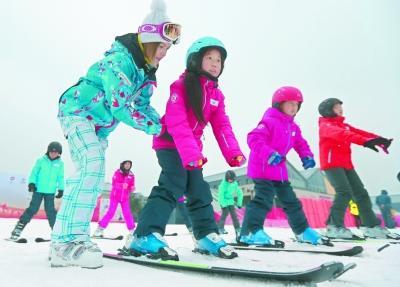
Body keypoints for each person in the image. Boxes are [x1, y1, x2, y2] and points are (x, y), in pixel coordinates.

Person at [50, 0, 181, 269]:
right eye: (162, 47)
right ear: (148, 40)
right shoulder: (120, 61)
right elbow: (120, 105)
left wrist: (167, 125)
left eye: (168, 49)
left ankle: (66, 238)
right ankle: (67, 241)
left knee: (92, 176)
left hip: (98, 125)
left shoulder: (145, 74)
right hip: (77, 111)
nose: (164, 54)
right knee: (93, 166)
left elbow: (143, 106)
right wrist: (157, 129)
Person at [121, 36, 246, 260]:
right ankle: (145, 234)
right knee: (173, 183)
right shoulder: (181, 86)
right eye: (209, 58)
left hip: (192, 151)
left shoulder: (216, 95)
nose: (215, 63)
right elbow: (178, 122)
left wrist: (233, 152)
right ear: (195, 60)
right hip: (170, 144)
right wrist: (190, 154)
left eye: (219, 60)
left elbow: (222, 125)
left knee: (199, 190)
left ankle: (206, 235)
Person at [239, 86, 328, 246]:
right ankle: (250, 232)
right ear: (279, 104)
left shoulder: (293, 127)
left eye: (296, 104)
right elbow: (253, 138)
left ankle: (302, 231)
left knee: (291, 202)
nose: (294, 108)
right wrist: (269, 154)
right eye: (290, 104)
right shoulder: (269, 121)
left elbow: (301, 143)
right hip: (262, 169)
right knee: (263, 200)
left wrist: (306, 156)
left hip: (279, 172)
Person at [318, 98, 397, 239]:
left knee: (361, 193)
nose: (340, 109)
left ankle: (371, 226)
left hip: (346, 164)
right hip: (332, 164)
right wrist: (365, 142)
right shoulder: (326, 126)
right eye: (336, 107)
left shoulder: (344, 125)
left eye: (340, 107)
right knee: (344, 192)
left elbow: (361, 133)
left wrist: (378, 139)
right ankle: (334, 227)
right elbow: (345, 135)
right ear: (328, 110)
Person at [9, 142, 64, 240]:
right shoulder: (41, 161)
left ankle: (56, 233)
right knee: (33, 209)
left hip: (50, 192)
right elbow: (34, 173)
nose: (53, 154)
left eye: (56, 153)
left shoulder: (60, 164)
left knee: (51, 212)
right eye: (51, 152)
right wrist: (32, 183)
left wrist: (61, 189)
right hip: (38, 190)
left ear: (59, 153)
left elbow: (60, 177)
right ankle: (18, 229)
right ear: (48, 151)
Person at [93, 160, 136, 237]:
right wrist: (122, 185)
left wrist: (131, 188)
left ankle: (132, 230)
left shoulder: (131, 175)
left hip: (125, 198)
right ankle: (99, 229)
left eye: (129, 164)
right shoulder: (117, 173)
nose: (127, 165)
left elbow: (130, 186)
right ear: (122, 165)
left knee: (127, 214)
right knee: (111, 212)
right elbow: (114, 184)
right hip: (115, 196)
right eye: (126, 164)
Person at [217, 170, 243, 238]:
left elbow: (240, 193)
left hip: (230, 201)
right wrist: (223, 204)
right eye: (230, 179)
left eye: (233, 179)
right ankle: (220, 228)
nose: (231, 181)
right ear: (226, 178)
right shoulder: (223, 185)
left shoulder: (234, 184)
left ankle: (237, 228)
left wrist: (239, 203)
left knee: (234, 215)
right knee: (225, 214)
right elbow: (221, 196)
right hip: (224, 201)